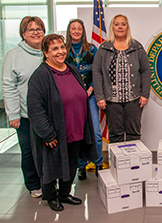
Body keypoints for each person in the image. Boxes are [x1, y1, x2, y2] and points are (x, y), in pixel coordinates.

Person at [27, 34, 97, 212]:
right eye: (54, 49)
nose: (60, 52)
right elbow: (35, 108)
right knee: (51, 166)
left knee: (72, 163)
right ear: (45, 52)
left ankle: (65, 194)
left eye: (62, 47)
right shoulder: (41, 75)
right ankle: (51, 196)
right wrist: (47, 134)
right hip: (54, 133)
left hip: (75, 129)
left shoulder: (72, 69)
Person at [1, 16, 45, 198]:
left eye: (39, 29)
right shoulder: (14, 56)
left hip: (47, 115)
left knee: (48, 151)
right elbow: (8, 86)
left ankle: (48, 181)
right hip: (25, 115)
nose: (35, 32)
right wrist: (13, 114)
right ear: (23, 34)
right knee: (28, 151)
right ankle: (33, 184)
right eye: (31, 30)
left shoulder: (48, 52)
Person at [93, 14, 151, 143]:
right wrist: (99, 96)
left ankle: (133, 162)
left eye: (123, 24)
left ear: (127, 27)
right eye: (117, 24)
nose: (120, 27)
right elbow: (97, 72)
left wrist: (145, 94)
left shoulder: (137, 47)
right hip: (111, 101)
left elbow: (146, 71)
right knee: (115, 134)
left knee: (133, 133)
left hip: (134, 100)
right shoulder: (103, 48)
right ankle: (118, 163)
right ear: (112, 27)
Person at [65, 18, 103, 180]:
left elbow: (97, 72)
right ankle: (80, 165)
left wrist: (90, 89)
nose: (76, 31)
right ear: (69, 31)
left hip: (90, 96)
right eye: (73, 28)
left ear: (83, 31)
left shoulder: (92, 49)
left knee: (95, 132)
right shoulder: (64, 51)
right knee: (77, 133)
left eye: (79, 28)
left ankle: (98, 161)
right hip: (73, 99)